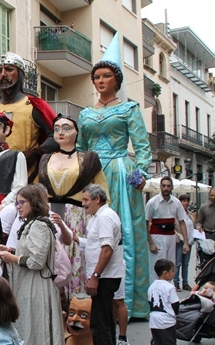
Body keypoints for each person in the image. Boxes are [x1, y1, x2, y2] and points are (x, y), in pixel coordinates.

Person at [77, 32, 152, 319]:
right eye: (96, 76)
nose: (100, 80)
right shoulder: (85, 115)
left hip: (120, 172)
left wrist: (140, 174)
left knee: (122, 234)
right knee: (92, 232)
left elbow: (142, 146)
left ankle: (128, 302)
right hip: (95, 173)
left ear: (116, 80)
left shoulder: (129, 109)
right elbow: (82, 148)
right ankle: (90, 293)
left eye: (106, 75)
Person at [0, 185, 67, 345]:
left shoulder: (39, 226)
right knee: (31, 330)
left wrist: (11, 257)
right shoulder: (34, 225)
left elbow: (36, 261)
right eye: (16, 203)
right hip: (30, 286)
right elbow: (31, 253)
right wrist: (9, 251)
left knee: (35, 331)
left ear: (33, 202)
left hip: (37, 288)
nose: (18, 207)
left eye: (21, 202)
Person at [37, 113, 108, 296]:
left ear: (77, 132)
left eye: (67, 128)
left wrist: (103, 218)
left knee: (75, 257)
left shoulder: (88, 158)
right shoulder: (45, 159)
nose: (61, 132)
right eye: (57, 129)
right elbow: (38, 188)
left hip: (76, 214)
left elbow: (102, 190)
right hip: (50, 212)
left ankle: (77, 304)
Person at [0, 52, 57, 182]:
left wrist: (34, 154)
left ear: (20, 74)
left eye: (9, 69)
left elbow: (55, 135)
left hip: (27, 177)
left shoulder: (35, 106)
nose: (3, 74)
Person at [78, 184, 124, 345]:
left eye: (86, 200)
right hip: (104, 276)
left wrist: (95, 276)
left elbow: (107, 249)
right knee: (105, 319)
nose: (83, 204)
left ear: (97, 199)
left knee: (100, 322)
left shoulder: (105, 217)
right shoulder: (99, 217)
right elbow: (95, 245)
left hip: (105, 277)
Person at [145, 176, 189, 282]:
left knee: (170, 265)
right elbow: (145, 222)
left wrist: (186, 242)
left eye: (168, 186)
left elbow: (182, 222)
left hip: (171, 237)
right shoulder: (152, 202)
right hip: (157, 237)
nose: (166, 188)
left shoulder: (176, 202)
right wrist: (150, 242)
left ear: (172, 187)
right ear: (160, 187)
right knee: (157, 266)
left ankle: (168, 292)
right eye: (164, 186)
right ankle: (155, 293)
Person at [148, 259, 180, 345]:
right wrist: (175, 315)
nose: (174, 273)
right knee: (169, 343)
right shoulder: (169, 287)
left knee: (158, 342)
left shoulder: (151, 287)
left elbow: (149, 302)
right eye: (172, 271)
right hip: (167, 320)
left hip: (154, 320)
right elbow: (175, 304)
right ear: (165, 273)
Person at [196, 187, 215, 267]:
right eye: (211, 195)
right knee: (206, 260)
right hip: (207, 235)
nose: (213, 197)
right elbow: (199, 221)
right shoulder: (203, 208)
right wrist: (199, 227)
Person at [174, 194, 195, 291]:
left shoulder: (189, 214)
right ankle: (176, 282)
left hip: (189, 242)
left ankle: (185, 283)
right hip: (180, 241)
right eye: (183, 201)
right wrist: (179, 238)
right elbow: (175, 227)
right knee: (178, 263)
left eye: (187, 201)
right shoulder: (176, 215)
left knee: (186, 263)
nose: (186, 203)